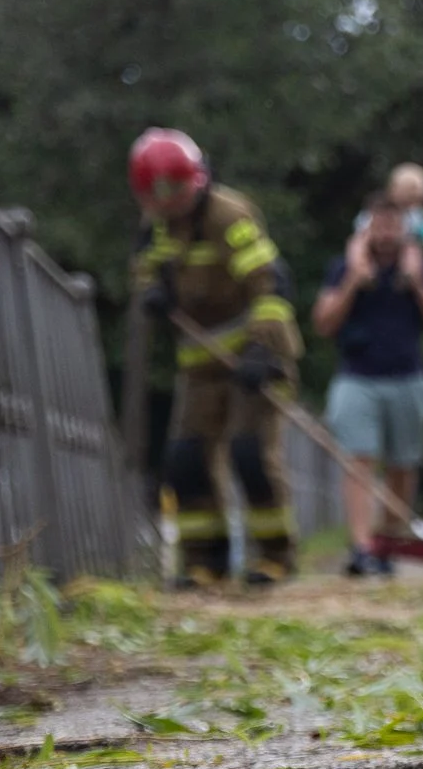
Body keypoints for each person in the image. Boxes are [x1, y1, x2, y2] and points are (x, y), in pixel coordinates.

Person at [127, 128, 303, 587]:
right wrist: (152, 291)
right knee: (186, 460)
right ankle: (205, 563)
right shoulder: (156, 225)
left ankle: (276, 556)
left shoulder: (230, 215)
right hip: (201, 364)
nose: (172, 203)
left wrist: (261, 350)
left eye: (179, 191)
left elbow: (270, 285)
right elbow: (144, 268)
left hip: (257, 358)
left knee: (250, 452)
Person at [311, 193, 423, 577]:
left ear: (404, 229)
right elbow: (323, 322)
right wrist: (353, 282)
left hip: (408, 378)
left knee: (403, 466)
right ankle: (362, 547)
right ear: (368, 227)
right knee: (358, 461)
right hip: (357, 377)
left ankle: (389, 543)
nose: (387, 232)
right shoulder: (344, 267)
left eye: (393, 224)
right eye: (380, 224)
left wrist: (418, 283)